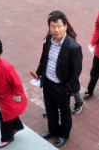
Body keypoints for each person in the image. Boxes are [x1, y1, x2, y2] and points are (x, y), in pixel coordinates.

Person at [36, 11, 83, 148]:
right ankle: (53, 130)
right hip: (48, 83)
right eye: (53, 26)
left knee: (64, 111)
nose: (56, 30)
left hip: (62, 87)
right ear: (49, 27)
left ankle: (64, 134)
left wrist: (68, 89)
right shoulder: (49, 40)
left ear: (65, 26)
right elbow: (44, 59)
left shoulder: (73, 47)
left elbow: (76, 71)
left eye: (59, 26)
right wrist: (39, 73)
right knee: (50, 109)